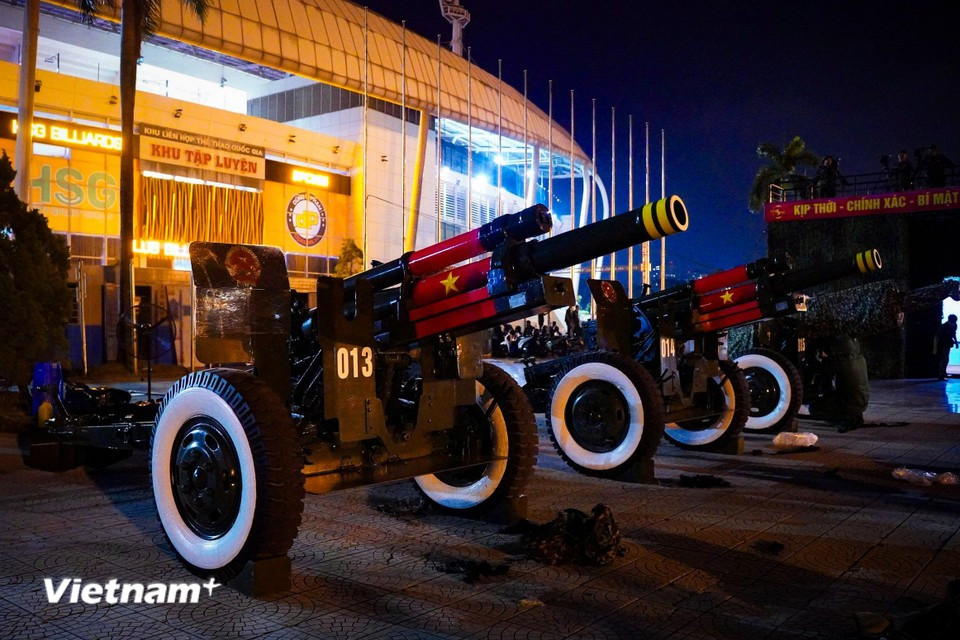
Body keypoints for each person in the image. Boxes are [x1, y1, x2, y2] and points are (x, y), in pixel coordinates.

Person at [807, 334, 870, 432]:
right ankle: (854, 417)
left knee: (814, 408)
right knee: (833, 396)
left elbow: (820, 369)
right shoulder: (859, 359)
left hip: (851, 402)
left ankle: (843, 420)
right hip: (861, 401)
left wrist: (812, 357)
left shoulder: (842, 362)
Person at [935, 314, 959, 380]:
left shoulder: (954, 326)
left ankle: (943, 373)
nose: (953, 323)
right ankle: (941, 374)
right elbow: (937, 337)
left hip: (948, 344)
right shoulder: (943, 327)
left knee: (946, 359)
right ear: (949, 320)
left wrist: (956, 342)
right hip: (942, 344)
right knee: (943, 359)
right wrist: (935, 348)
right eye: (952, 322)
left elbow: (954, 334)